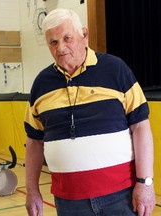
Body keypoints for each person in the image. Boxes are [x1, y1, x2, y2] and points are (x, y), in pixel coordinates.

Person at [24, 8, 156, 216]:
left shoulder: (116, 70)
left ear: (84, 35)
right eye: (53, 42)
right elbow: (34, 141)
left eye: (67, 38)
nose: (61, 47)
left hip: (120, 197)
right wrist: (32, 190)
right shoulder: (41, 84)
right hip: (69, 202)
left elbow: (141, 127)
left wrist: (145, 182)